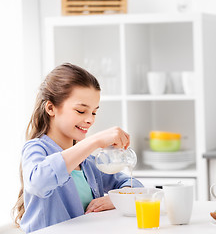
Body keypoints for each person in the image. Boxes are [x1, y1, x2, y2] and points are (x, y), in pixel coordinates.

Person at [13, 63, 143, 233]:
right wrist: (94, 141)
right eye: (81, 111)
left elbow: (134, 185)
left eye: (94, 112)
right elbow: (38, 182)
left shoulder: (88, 163)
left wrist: (116, 198)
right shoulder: (35, 148)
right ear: (51, 108)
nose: (90, 120)